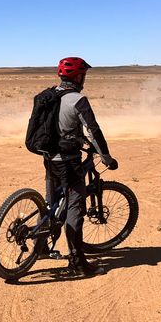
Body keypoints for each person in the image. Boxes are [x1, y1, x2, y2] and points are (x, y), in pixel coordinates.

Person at [46, 57, 118, 277]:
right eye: (83, 75)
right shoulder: (78, 100)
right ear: (78, 77)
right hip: (69, 161)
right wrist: (105, 156)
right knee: (75, 207)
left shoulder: (48, 96)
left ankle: (40, 248)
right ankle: (78, 264)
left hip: (49, 157)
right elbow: (93, 131)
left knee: (53, 204)